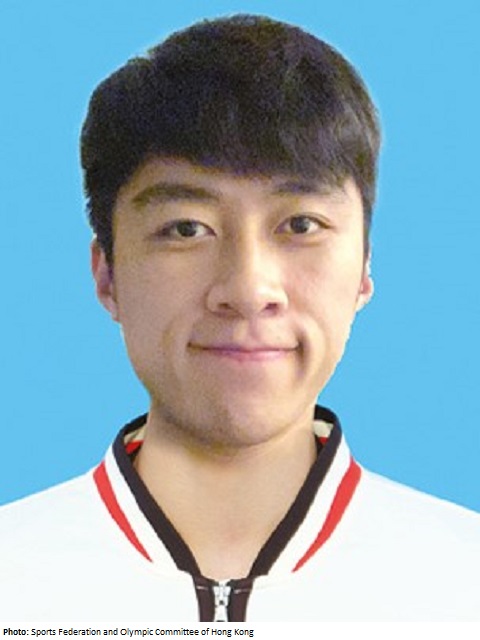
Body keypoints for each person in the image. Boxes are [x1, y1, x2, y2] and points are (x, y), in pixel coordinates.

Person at [1, 14, 479, 623]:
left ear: (363, 267)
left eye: (300, 225)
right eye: (185, 229)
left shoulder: (464, 584)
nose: (249, 290)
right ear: (107, 275)